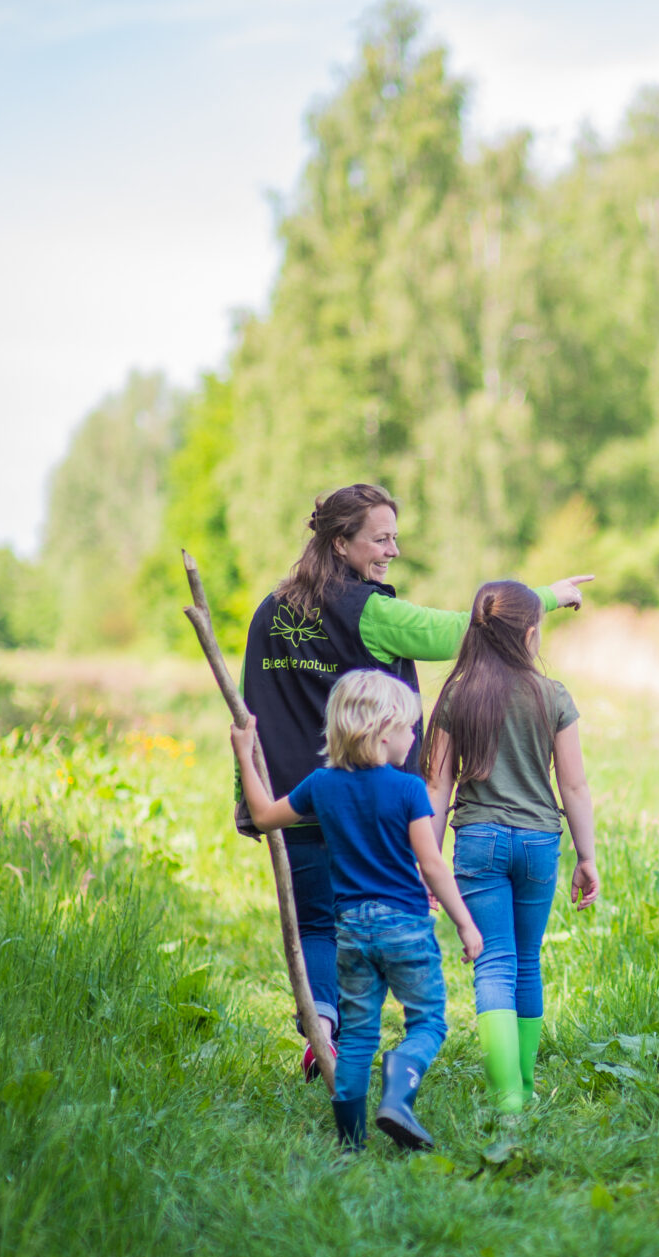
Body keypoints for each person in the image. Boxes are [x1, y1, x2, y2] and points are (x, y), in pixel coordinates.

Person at [240, 483, 591, 1081]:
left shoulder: (271, 610)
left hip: (293, 794)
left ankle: (323, 1030)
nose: (392, 552)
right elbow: (471, 628)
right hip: (372, 800)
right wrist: (545, 597)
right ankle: (401, 1039)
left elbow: (256, 705)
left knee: (318, 926)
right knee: (379, 916)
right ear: (340, 541)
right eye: (381, 539)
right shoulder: (369, 612)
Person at [231, 670, 482, 1152]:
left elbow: (264, 817)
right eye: (409, 728)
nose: (414, 737)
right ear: (383, 730)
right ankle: (398, 1087)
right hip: (405, 925)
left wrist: (245, 751)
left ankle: (350, 1143)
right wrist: (465, 924)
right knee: (428, 1022)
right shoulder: (408, 790)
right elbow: (430, 863)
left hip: (351, 930)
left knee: (360, 1031)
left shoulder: (321, 785)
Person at [423, 579, 599, 1115]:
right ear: (528, 632)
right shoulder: (553, 695)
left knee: (492, 962)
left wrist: (426, 865)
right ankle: (524, 1081)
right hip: (541, 843)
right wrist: (587, 856)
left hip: (478, 841)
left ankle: (508, 1101)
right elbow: (573, 786)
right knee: (527, 960)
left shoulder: (457, 695)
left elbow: (436, 785)